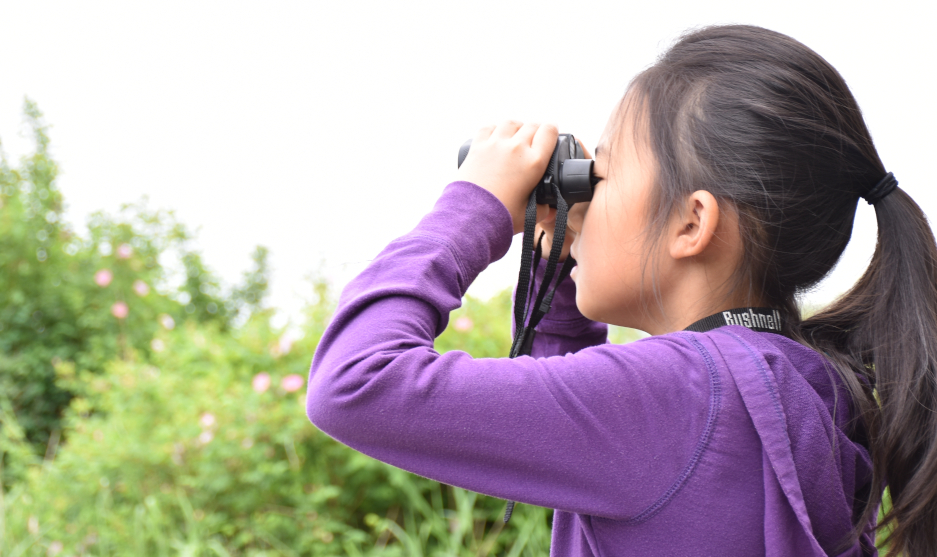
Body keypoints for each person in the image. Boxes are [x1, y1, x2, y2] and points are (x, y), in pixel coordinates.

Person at [306, 25, 937, 556]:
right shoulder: (808, 384)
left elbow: (353, 383)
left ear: (692, 222)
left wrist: (474, 207)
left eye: (600, 174)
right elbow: (575, 447)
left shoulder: (673, 397)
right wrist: (558, 264)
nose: (583, 195)